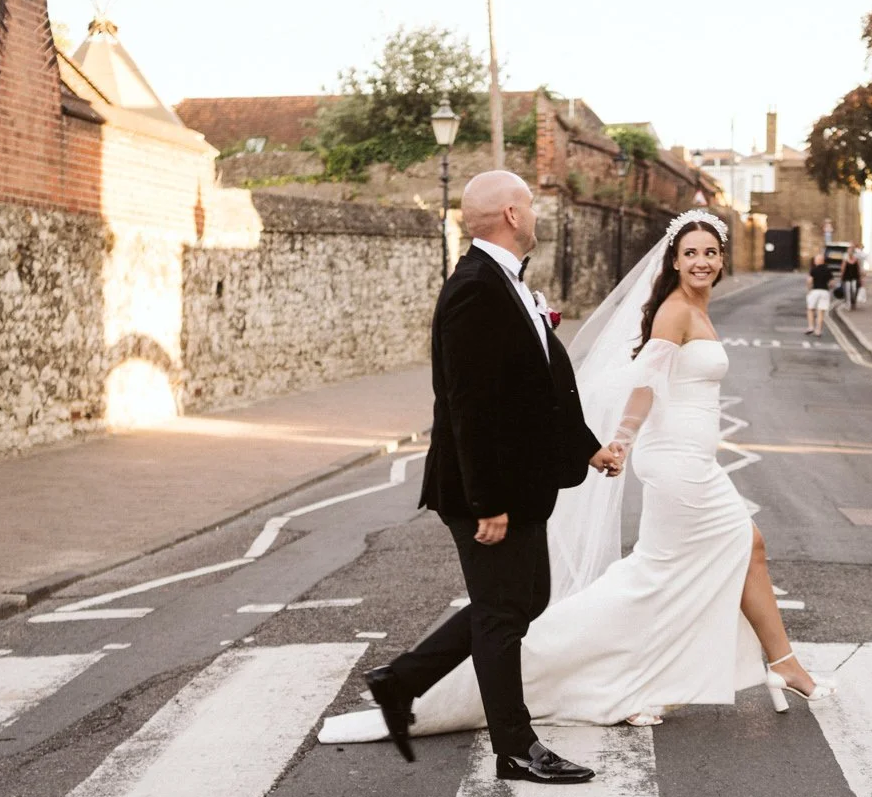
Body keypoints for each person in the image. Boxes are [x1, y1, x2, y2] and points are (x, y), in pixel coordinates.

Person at [320, 209, 832, 747]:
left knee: (742, 547)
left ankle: (779, 663)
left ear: (722, 258)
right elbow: (644, 384)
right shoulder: (676, 311)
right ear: (674, 262)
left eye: (710, 252)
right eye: (691, 254)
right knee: (660, 574)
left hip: (695, 461)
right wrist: (622, 440)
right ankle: (742, 668)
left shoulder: (698, 309)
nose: (701, 261)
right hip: (677, 464)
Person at [351, 170, 622, 785]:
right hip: (489, 490)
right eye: (528, 205)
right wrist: (488, 504)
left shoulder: (507, 284)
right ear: (510, 213)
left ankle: (400, 681)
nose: (534, 215)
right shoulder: (476, 287)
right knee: (502, 615)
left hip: (521, 483)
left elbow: (536, 394)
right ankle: (517, 749)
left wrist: (586, 450)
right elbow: (470, 410)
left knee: (526, 600)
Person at [806, 250, 835, 336]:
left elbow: (809, 281)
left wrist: (809, 290)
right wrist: (829, 287)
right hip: (825, 292)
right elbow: (832, 283)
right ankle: (818, 330)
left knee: (810, 309)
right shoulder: (828, 270)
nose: (815, 261)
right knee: (821, 312)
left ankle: (811, 326)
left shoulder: (813, 270)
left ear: (818, 261)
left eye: (815, 260)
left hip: (815, 291)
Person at [839, 243, 864, 310]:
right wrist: (841, 277)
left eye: (851, 251)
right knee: (847, 291)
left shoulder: (856, 259)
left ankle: (853, 303)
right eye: (849, 251)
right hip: (847, 278)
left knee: (854, 290)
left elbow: (858, 269)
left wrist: (860, 278)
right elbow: (843, 269)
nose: (850, 253)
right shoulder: (845, 259)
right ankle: (848, 304)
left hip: (854, 277)